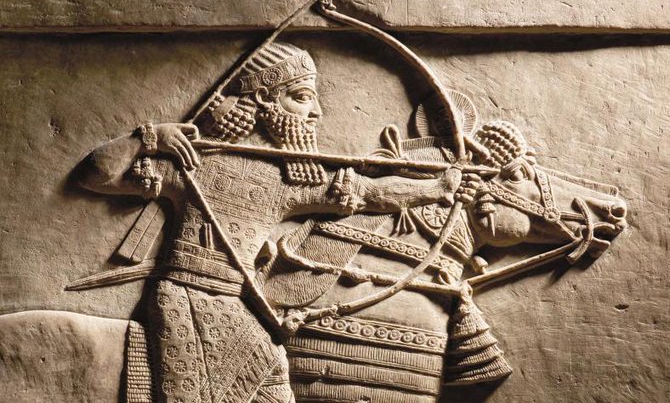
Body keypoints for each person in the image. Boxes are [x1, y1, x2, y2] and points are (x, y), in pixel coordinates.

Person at [79, 42, 462, 403]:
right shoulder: (195, 164)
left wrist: (437, 188)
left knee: (273, 373)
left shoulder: (288, 182)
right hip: (186, 296)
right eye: (302, 97)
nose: (316, 112)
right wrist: (150, 137)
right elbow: (96, 176)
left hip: (239, 300)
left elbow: (371, 194)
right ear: (264, 97)